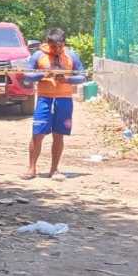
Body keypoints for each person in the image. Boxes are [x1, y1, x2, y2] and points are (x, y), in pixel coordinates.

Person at [22, 28, 85, 180]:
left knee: (59, 135)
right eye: (52, 46)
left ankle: (54, 169)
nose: (55, 49)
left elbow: (82, 76)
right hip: (44, 99)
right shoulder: (38, 55)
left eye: (58, 46)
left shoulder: (72, 56)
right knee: (37, 134)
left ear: (63, 43)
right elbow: (27, 75)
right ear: (47, 43)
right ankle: (31, 168)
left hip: (64, 99)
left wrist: (67, 79)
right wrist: (42, 74)